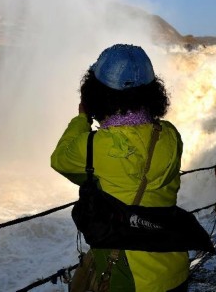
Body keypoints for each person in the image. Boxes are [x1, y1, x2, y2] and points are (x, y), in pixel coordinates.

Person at [51, 44, 189, 292]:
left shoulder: (94, 146)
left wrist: (82, 118)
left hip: (129, 277)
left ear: (95, 93)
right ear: (153, 93)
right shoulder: (170, 135)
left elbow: (60, 160)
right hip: (174, 267)